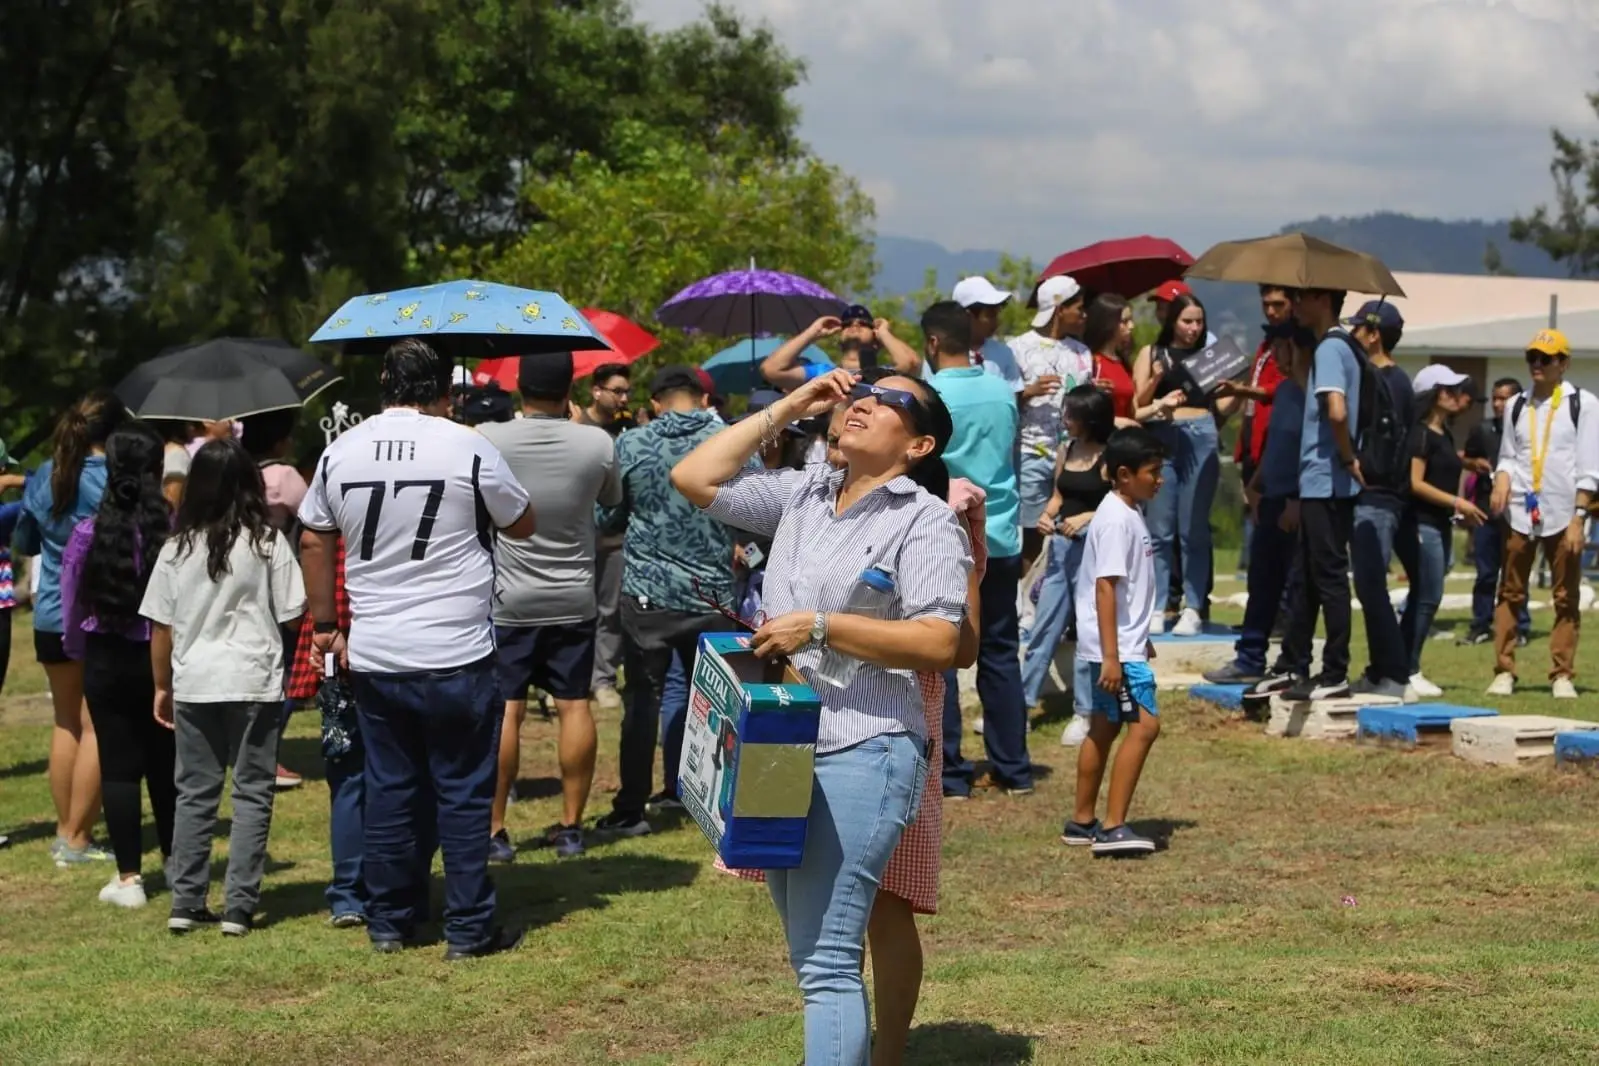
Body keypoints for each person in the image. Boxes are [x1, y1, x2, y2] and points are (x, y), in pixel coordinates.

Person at [673, 367, 972, 1066]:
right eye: (858, 393)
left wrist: (818, 627)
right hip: (782, 741)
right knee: (812, 957)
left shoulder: (923, 520)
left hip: (863, 745)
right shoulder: (804, 494)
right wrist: (791, 403)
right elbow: (694, 477)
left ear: (919, 445)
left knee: (827, 963)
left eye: (888, 401)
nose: (863, 402)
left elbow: (940, 641)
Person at [298, 337, 534, 960]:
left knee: (390, 788)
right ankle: (467, 927)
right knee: (461, 789)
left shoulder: (339, 450)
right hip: (456, 646)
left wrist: (325, 623)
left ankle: (389, 920)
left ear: (383, 381)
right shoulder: (466, 444)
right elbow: (522, 522)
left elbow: (314, 539)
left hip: (376, 649)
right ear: (446, 391)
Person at [144, 438, 307, 935]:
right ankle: (238, 907)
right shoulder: (268, 542)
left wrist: (161, 684)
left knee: (195, 793)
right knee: (252, 792)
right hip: (254, 678)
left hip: (195, 680)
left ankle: (186, 901)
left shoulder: (177, 547)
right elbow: (293, 613)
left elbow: (161, 628)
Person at [480, 352, 621, 862]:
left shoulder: (489, 439)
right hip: (573, 593)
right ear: (571, 388)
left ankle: (495, 830)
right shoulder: (596, 442)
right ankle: (569, 827)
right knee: (574, 703)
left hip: (508, 599)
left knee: (507, 709)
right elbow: (610, 498)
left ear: (518, 387)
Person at [593, 366, 741, 837]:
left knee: (643, 701)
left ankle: (632, 808)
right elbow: (761, 507)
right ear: (701, 398)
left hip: (648, 595)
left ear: (655, 402)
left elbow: (607, 515)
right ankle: (716, 801)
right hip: (713, 594)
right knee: (719, 701)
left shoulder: (632, 444)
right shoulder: (731, 440)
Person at [59, 421, 175, 907]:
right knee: (167, 768)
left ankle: (129, 879)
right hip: (161, 658)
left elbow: (71, 609)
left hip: (106, 655)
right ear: (157, 469)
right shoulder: (171, 530)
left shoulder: (88, 532)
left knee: (118, 769)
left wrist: (78, 650)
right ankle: (177, 864)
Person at [15, 389, 128, 867]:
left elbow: (24, 540)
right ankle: (77, 838)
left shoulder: (47, 472)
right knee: (99, 723)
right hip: (98, 615)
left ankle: (67, 830)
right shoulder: (118, 477)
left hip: (48, 614)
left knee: (65, 721)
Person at [925, 300, 1033, 797]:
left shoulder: (929, 396)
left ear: (931, 343)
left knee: (941, 651)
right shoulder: (1002, 390)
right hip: (1004, 531)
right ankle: (1013, 767)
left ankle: (948, 770)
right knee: (1000, 652)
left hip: (947, 535)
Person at [1064, 427, 1167, 857]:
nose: (1159, 480)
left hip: (1122, 644)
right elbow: (1105, 588)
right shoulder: (1115, 520)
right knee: (1145, 726)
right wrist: (1113, 656)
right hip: (1116, 652)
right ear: (1124, 474)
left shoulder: (1124, 510)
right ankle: (1113, 826)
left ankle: (1082, 821)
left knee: (1104, 728)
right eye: (1153, 472)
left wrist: (1139, 637)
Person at [1487, 329, 1599, 698]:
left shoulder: (1582, 404)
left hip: (1564, 511)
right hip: (1521, 508)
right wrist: (1501, 478)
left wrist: (1579, 515)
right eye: (1532, 358)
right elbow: (1507, 454)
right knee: (1510, 592)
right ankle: (1504, 670)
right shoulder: (1517, 405)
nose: (1537, 364)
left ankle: (1562, 674)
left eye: (1545, 359)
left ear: (1563, 364)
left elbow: (1590, 465)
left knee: (1565, 595)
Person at [1204, 321, 1312, 687]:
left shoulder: (1312, 396)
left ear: (1294, 350)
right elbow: (1276, 445)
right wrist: (1256, 482)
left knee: (1295, 588)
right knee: (1261, 583)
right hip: (1270, 497)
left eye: (1280, 348)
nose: (1274, 356)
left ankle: (1295, 661)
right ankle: (1249, 657)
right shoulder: (1282, 393)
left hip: (1295, 504)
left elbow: (1311, 452)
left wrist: (1296, 500)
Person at [1132, 293, 1237, 636]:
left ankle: (1194, 605)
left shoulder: (1212, 357)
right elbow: (1138, 403)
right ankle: (1158, 602)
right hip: (1161, 435)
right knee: (1159, 529)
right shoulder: (1152, 353)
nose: (1193, 328)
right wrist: (1156, 382)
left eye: (1199, 322)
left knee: (1194, 528)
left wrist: (1234, 390)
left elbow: (1223, 408)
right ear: (1172, 321)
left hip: (1200, 432)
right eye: (1186, 321)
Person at [1278, 289, 1362, 702]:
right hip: (1322, 481)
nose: (1295, 305)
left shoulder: (1330, 346)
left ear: (1324, 300)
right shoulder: (1343, 346)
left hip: (1327, 480)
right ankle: (1294, 663)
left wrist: (1347, 458)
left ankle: (1335, 672)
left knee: (1327, 577)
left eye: (1303, 297)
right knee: (1308, 576)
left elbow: (1336, 411)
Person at [1021, 386, 1113, 747]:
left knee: (1086, 631)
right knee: (1044, 628)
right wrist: (1046, 516)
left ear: (1090, 418)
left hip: (1092, 550)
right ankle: (1022, 706)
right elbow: (1059, 495)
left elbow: (1115, 502)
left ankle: (1084, 711)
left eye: (1071, 414)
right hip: (1060, 548)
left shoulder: (1108, 456)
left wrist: (1087, 518)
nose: (1064, 420)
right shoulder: (1066, 450)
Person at [1342, 301, 1417, 701]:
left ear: (1373, 334)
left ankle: (1395, 673)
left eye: (1357, 329)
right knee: (1368, 586)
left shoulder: (1387, 381)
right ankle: (1378, 670)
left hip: (1379, 495)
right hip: (1377, 495)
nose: (1352, 337)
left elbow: (1384, 447)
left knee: (1372, 584)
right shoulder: (1392, 380)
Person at [1402, 365, 1486, 699]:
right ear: (1434, 395)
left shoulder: (1445, 435)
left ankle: (1403, 664)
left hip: (1439, 523)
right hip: (1422, 523)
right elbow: (1415, 483)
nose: (1455, 396)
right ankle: (1408, 668)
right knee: (1427, 596)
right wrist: (1458, 503)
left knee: (1426, 597)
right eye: (1448, 390)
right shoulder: (1421, 434)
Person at [241, 409, 310, 791]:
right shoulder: (283, 475)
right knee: (284, 666)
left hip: (236, 573)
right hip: (275, 574)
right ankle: (263, 753)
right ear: (280, 441)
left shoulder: (236, 470)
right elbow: (316, 514)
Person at [1012, 275, 1094, 566]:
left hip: (1072, 455)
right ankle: (1023, 602)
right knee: (1032, 530)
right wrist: (1027, 393)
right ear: (1060, 309)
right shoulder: (1018, 347)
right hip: (1030, 453)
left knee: (1068, 527)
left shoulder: (1082, 352)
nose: (1084, 314)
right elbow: (1005, 401)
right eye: (1079, 308)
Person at [1221, 286, 1294, 570]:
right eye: (1266, 304)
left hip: (1274, 443)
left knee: (1272, 527)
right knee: (1256, 519)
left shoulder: (1292, 342)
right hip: (1253, 442)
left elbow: (1282, 388)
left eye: (1278, 304)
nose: (1271, 311)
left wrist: (1245, 390)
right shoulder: (1266, 343)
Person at [577, 362, 635, 712]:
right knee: (576, 610)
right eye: (617, 390)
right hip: (576, 536)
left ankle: (603, 679)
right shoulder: (577, 428)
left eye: (626, 391)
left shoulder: (627, 430)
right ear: (596, 391)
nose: (623, 398)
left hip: (613, 539)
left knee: (610, 611)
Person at [1462, 378, 1530, 646]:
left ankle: (1520, 626)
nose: (1499, 404)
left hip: (1519, 511)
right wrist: (1473, 462)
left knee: (1515, 571)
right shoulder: (1482, 429)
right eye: (1496, 399)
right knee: (1486, 572)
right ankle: (1480, 624)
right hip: (1486, 510)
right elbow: (1466, 458)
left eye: (1505, 399)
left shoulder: (1527, 431)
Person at [761, 307, 921, 387]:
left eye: (864, 323)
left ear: (875, 340)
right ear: (839, 338)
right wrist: (812, 332)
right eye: (847, 323)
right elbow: (771, 370)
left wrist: (884, 333)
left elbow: (911, 363)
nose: (855, 325)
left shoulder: (884, 375)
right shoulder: (822, 373)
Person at [949, 277, 1024, 391]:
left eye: (997, 314)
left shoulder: (1003, 353)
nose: (996, 321)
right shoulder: (943, 355)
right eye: (990, 315)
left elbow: (1013, 398)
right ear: (967, 316)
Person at [1082, 294, 1138, 423]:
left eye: (1131, 320)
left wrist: (1159, 405)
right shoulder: (1092, 362)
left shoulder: (1123, 362)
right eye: (1124, 321)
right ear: (1108, 324)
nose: (1131, 326)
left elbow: (1132, 413)